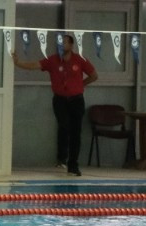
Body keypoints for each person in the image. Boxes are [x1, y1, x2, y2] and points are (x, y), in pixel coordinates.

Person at [11, 34, 97, 177]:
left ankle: (73, 165)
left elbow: (94, 76)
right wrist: (18, 63)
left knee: (76, 133)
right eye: (59, 43)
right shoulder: (53, 60)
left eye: (64, 43)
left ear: (71, 45)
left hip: (76, 100)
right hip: (60, 100)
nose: (61, 45)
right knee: (64, 126)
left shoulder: (80, 59)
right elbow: (35, 65)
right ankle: (62, 158)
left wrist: (81, 85)